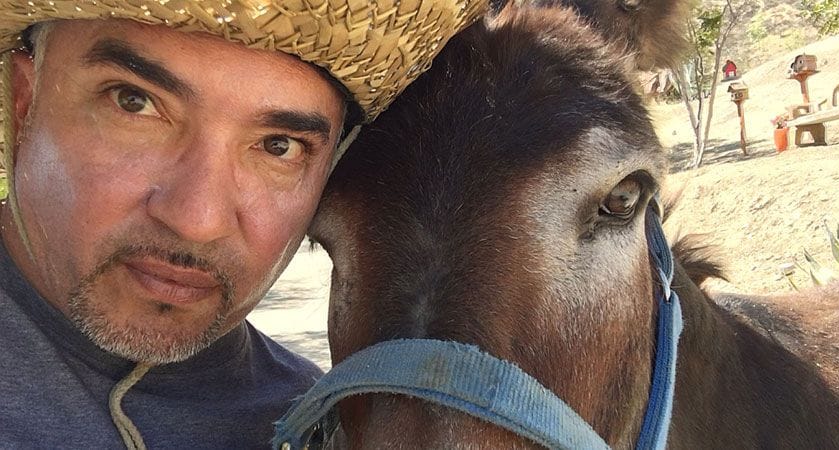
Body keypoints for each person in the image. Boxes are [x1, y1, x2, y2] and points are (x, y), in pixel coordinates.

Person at [0, 1, 485, 448]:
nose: (197, 220)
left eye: (279, 146)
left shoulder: (318, 424)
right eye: (134, 102)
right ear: (24, 101)